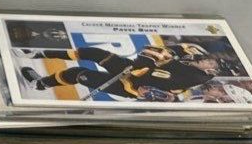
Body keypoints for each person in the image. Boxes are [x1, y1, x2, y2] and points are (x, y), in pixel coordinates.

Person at [18, 42, 218, 100]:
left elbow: (155, 79)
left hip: (132, 86)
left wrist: (151, 62)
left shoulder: (194, 77)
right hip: (136, 69)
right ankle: (39, 52)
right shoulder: (192, 60)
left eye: (209, 63)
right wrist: (159, 56)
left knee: (78, 74)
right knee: (93, 53)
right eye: (207, 59)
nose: (205, 61)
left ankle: (40, 84)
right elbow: (157, 51)